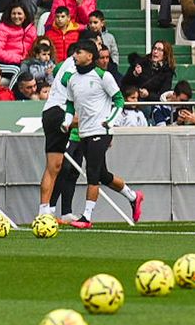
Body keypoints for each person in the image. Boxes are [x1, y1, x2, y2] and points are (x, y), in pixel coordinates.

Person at [61, 38, 144, 228]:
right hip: (84, 132)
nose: (75, 55)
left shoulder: (103, 76)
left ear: (90, 56)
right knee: (103, 174)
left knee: (92, 173)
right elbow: (70, 104)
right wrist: (67, 121)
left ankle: (86, 217)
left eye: (79, 52)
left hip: (101, 130)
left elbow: (119, 99)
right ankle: (133, 196)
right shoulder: (72, 79)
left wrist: (110, 121)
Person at [37, 46, 82, 220]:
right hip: (60, 111)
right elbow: (66, 79)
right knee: (59, 167)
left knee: (54, 167)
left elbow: (57, 73)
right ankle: (50, 210)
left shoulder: (65, 64)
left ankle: (45, 211)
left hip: (50, 111)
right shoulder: (75, 68)